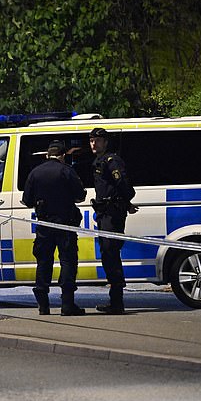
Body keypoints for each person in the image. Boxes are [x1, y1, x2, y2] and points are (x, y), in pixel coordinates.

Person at [22, 139, 87, 316]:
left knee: (43, 262)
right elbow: (80, 195)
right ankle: (67, 305)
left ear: (47, 155)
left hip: (44, 225)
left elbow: (27, 200)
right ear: (63, 155)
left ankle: (43, 306)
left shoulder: (35, 173)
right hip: (66, 224)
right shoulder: (67, 171)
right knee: (67, 262)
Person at [89, 127, 137, 315]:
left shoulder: (111, 160)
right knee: (108, 255)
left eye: (98, 140)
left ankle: (117, 303)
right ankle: (115, 301)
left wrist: (125, 202)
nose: (94, 143)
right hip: (105, 213)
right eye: (92, 140)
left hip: (112, 213)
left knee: (111, 254)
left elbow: (124, 185)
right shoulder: (99, 161)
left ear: (106, 142)